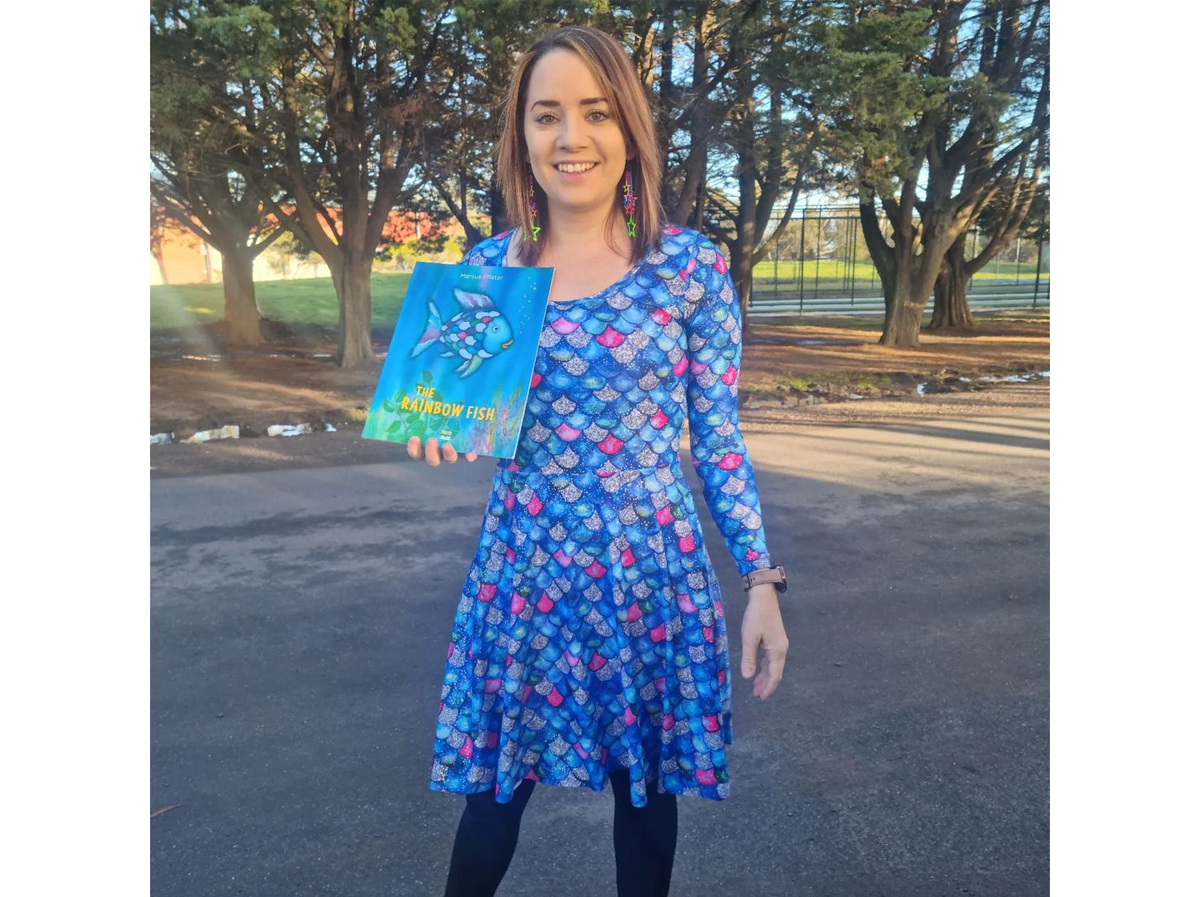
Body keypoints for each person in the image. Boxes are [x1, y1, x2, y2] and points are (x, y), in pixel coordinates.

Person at [409, 24, 790, 897]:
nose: (570, 138)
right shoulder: (486, 274)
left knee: (647, 795)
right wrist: (443, 421)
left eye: (595, 112)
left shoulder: (689, 268)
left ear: (629, 131)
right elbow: (456, 411)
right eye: (546, 115)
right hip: (525, 570)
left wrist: (761, 581)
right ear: (522, 135)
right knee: (493, 798)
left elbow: (718, 438)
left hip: (649, 572)